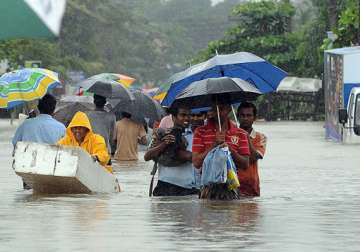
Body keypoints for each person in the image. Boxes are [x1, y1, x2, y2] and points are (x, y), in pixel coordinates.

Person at [192, 100, 250, 199]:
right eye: (215, 109)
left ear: (229, 109)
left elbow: (245, 164)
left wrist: (229, 149)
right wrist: (214, 144)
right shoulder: (200, 131)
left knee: (230, 212)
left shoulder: (240, 133)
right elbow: (196, 162)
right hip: (208, 189)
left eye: (221, 109)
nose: (217, 112)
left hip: (231, 187)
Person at [12, 94, 66, 189]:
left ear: (38, 107)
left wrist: (28, 121)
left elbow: (15, 143)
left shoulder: (26, 124)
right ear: (54, 109)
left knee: (29, 196)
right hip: (52, 171)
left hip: (28, 169)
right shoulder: (61, 127)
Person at [144, 106, 199, 196]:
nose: (186, 118)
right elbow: (147, 156)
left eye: (189, 115)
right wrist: (164, 144)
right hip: (166, 186)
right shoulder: (163, 134)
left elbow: (192, 158)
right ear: (173, 117)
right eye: (182, 115)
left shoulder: (195, 135)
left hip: (188, 187)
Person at [237, 102, 267, 197]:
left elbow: (254, 157)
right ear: (238, 117)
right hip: (233, 186)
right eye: (242, 115)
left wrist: (245, 137)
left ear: (254, 118)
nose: (245, 118)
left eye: (249, 115)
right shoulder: (230, 135)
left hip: (252, 188)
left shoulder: (261, 137)